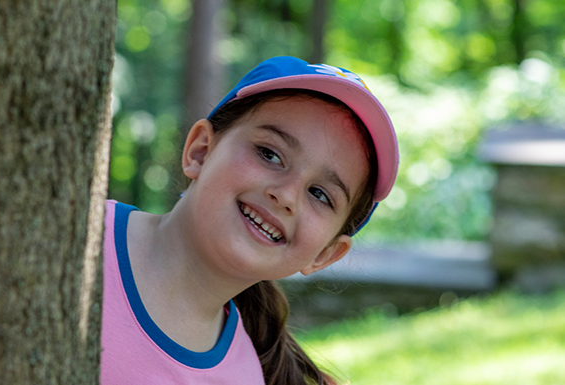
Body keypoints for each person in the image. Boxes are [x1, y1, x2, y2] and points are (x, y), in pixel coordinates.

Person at [100, 56, 399, 385]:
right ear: (200, 151)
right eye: (270, 154)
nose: (286, 196)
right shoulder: (84, 235)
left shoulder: (242, 377)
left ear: (326, 253)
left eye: (320, 194)